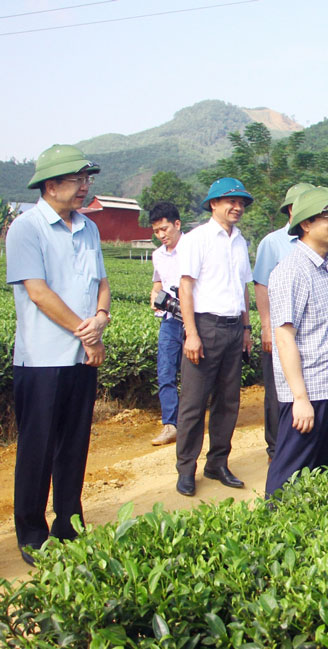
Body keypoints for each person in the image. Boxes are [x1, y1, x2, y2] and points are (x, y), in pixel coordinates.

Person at [7, 144, 108, 566]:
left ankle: (69, 523)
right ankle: (32, 531)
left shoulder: (89, 228)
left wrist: (101, 316)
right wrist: (86, 333)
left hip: (81, 358)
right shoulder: (26, 228)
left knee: (74, 445)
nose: (85, 187)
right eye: (77, 180)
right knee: (38, 448)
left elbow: (101, 282)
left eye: (87, 180)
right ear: (51, 185)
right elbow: (38, 292)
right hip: (42, 360)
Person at [254, 183, 328, 460]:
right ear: (306, 224)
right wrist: (300, 398)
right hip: (310, 391)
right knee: (290, 475)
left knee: (319, 474)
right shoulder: (292, 271)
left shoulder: (327, 267)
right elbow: (284, 337)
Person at [173, 177, 255, 497]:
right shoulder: (197, 239)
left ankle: (217, 462)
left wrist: (247, 329)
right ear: (213, 204)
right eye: (230, 202)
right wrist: (191, 333)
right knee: (193, 403)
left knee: (228, 401)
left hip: (234, 328)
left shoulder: (240, 240)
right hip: (205, 328)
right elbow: (185, 287)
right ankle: (186, 469)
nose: (237, 207)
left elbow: (243, 288)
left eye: (241, 203)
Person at [148, 202, 184, 446]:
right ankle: (170, 424)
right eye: (157, 231)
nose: (161, 235)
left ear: (177, 224)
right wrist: (155, 297)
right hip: (169, 321)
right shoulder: (157, 255)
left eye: (164, 229)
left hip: (195, 320)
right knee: (166, 372)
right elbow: (157, 284)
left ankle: (191, 420)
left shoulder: (194, 248)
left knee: (195, 373)